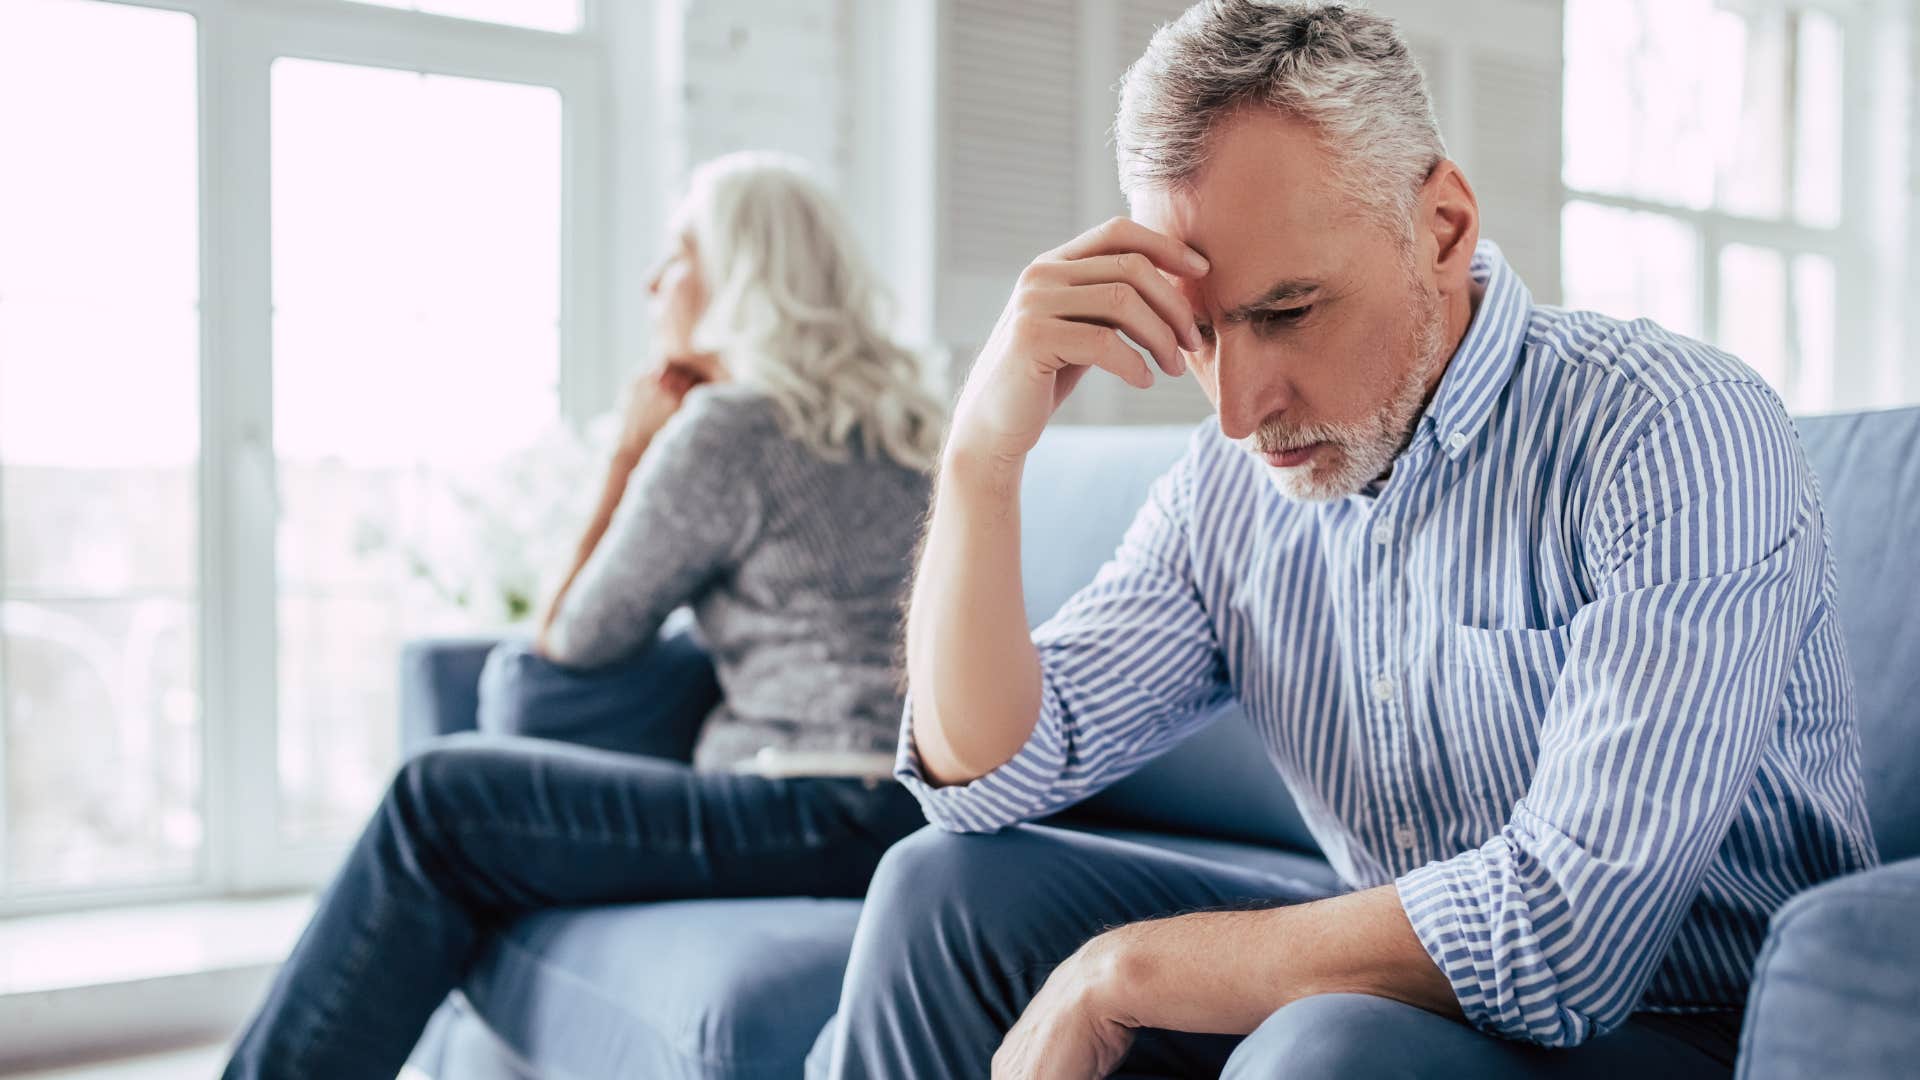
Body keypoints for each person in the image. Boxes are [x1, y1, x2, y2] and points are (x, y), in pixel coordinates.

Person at [821, 3, 1879, 1078]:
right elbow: (986, 776)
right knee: (942, 894)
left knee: (1326, 1048)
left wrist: (1122, 971)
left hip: (1685, 1023)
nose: (1237, 410)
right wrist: (979, 459)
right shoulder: (1225, 491)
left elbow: (1569, 933)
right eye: (1200, 329)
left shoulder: (1671, 431)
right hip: (1406, 987)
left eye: (1286, 312)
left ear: (1444, 227)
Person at [223, 151, 946, 1079]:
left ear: (737, 273)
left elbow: (577, 639)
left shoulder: (729, 428)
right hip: (913, 808)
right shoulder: (917, 427)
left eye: (677, 253)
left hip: (813, 803)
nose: (654, 281)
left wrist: (631, 453)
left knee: (435, 800)